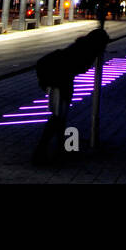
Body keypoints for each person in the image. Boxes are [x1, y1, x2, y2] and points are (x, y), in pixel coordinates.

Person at [31, 28, 111, 166]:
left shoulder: (82, 46)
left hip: (62, 81)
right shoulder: (85, 51)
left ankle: (59, 148)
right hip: (58, 81)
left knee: (60, 118)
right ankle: (41, 151)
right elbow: (79, 67)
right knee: (57, 117)